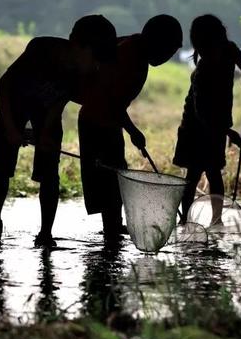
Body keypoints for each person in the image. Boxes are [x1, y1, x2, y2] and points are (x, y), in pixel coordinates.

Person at [0, 15, 118, 247]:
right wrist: (11, 128)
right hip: (16, 102)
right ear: (78, 45)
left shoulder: (81, 72)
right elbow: (4, 85)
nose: (96, 66)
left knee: (49, 169)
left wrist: (47, 131)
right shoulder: (41, 49)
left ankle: (45, 234)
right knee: (2, 162)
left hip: (46, 109)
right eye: (95, 58)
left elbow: (58, 102)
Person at [78, 15, 183, 241]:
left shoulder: (135, 50)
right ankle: (111, 232)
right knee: (109, 177)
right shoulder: (129, 55)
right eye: (168, 52)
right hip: (96, 121)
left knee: (115, 174)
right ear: (156, 42)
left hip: (108, 120)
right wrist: (133, 131)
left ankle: (113, 227)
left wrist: (128, 129)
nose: (166, 58)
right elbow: (110, 99)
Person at [173, 14, 241, 226]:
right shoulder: (202, 73)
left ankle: (217, 219)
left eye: (216, 45)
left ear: (221, 39)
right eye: (208, 49)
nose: (214, 53)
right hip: (196, 127)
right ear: (201, 47)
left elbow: (237, 56)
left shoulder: (228, 49)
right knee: (194, 173)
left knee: (214, 172)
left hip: (217, 121)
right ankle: (185, 219)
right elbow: (203, 114)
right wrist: (228, 132)